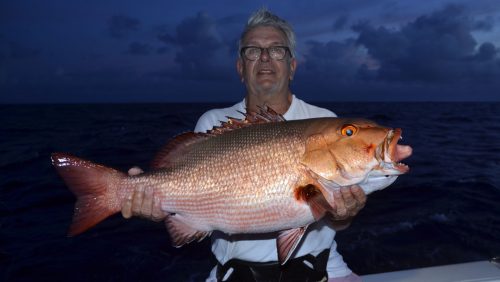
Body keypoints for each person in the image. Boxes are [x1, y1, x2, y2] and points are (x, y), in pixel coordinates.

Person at [122, 8, 366, 282]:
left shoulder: (325, 123)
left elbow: (335, 218)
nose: (264, 57)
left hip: (322, 271)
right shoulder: (213, 122)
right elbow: (191, 202)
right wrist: (155, 203)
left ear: (292, 67)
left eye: (277, 50)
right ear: (240, 68)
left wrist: (345, 214)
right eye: (253, 51)